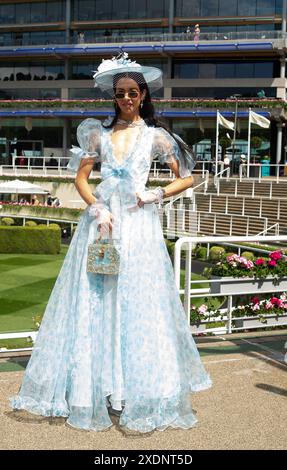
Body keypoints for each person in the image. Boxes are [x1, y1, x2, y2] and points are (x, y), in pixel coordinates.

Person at [10, 52, 211, 434]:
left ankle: (137, 388)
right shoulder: (97, 134)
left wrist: (157, 194)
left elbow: (187, 176)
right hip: (103, 225)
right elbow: (81, 180)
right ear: (114, 96)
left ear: (143, 94)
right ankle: (98, 387)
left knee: (139, 303)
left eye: (132, 92)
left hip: (139, 226)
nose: (126, 99)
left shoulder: (155, 136)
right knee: (96, 300)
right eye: (120, 93)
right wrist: (97, 208)